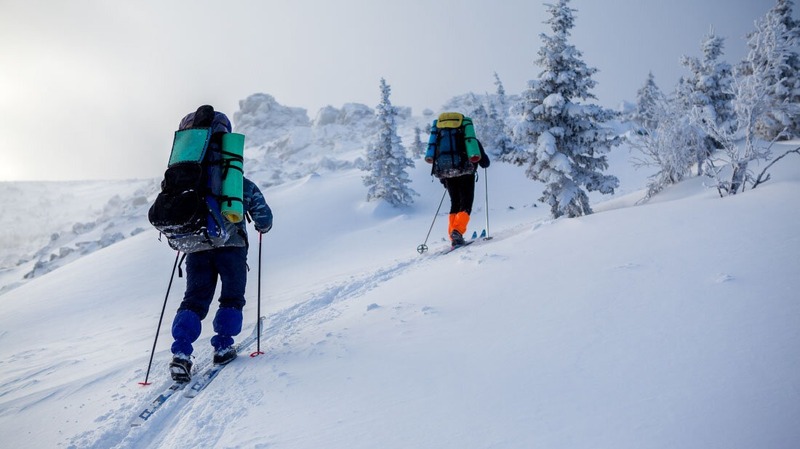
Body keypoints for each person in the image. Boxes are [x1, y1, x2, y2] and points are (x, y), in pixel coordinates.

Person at [168, 108, 273, 382]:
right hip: (233, 247)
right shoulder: (238, 181)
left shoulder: (188, 177)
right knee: (231, 297)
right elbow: (265, 217)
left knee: (193, 300)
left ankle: (181, 354)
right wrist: (261, 226)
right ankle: (223, 345)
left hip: (197, 246)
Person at [425, 112, 490, 247]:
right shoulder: (469, 139)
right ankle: (457, 231)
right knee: (466, 203)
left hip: (447, 174)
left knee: (454, 203)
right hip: (466, 173)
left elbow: (436, 158)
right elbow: (485, 162)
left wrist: (444, 179)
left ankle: (453, 235)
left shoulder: (439, 139)